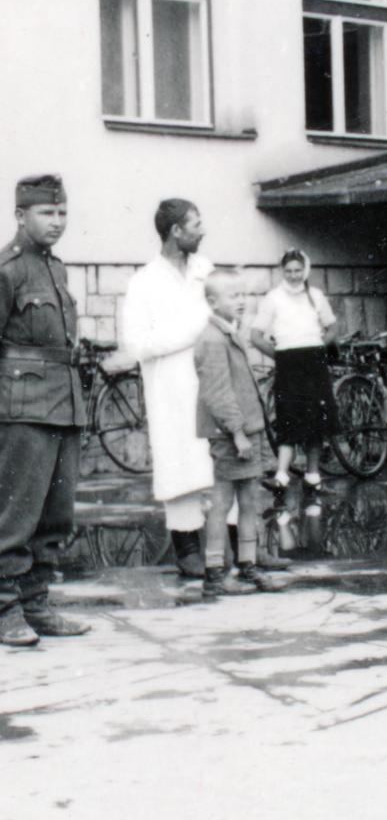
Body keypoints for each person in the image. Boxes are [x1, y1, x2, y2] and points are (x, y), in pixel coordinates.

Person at [0, 174, 92, 646]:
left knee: (56, 515)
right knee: (15, 515)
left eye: (61, 213)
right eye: (45, 213)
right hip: (21, 410)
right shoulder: (7, 270)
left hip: (63, 403)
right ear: (20, 215)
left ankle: (36, 603)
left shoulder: (57, 270)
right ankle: (4, 607)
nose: (57, 222)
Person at [111, 199, 214, 579]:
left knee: (223, 461)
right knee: (181, 461)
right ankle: (187, 547)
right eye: (196, 224)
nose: (203, 230)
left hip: (213, 381)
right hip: (172, 387)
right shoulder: (144, 282)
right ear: (176, 231)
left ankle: (232, 546)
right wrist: (191, 332)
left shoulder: (206, 271)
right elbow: (137, 344)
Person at [195, 271, 278, 600]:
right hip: (232, 433)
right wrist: (238, 434)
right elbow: (217, 393)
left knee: (249, 501)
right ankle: (214, 573)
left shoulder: (228, 332)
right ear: (213, 302)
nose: (242, 302)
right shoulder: (213, 339)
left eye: (244, 295)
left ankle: (247, 564)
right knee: (221, 503)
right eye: (234, 296)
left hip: (247, 430)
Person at [251, 249, 337, 517]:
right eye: (288, 270)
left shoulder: (316, 296)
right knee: (289, 420)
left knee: (316, 423)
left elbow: (333, 326)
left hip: (314, 364)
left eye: (297, 270)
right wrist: (280, 355)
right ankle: (282, 476)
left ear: (305, 270)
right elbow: (255, 335)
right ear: (282, 271)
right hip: (289, 365)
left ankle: (313, 477)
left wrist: (320, 348)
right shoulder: (273, 299)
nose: (293, 275)